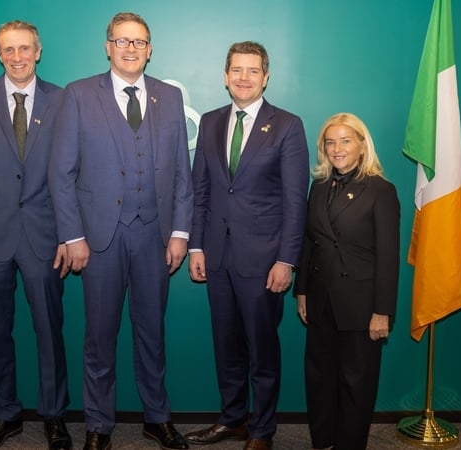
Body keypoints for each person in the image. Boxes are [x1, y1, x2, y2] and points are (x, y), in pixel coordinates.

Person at [48, 11, 192, 450]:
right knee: (99, 336)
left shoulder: (168, 97)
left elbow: (182, 175)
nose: (131, 49)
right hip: (98, 240)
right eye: (122, 41)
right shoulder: (78, 95)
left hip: (155, 235)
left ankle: (157, 417)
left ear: (150, 49)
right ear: (108, 46)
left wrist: (181, 233)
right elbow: (61, 171)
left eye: (139, 41)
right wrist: (73, 237)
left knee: (152, 333)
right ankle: (98, 425)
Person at [185, 41, 309, 450]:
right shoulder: (210, 122)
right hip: (217, 258)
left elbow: (295, 201)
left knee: (262, 352)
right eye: (236, 70)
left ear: (266, 76)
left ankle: (262, 429)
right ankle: (233, 419)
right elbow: (199, 192)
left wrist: (286, 260)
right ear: (225, 76)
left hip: (263, 261)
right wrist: (197, 248)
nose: (243, 78)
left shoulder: (288, 125)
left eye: (252, 71)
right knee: (226, 348)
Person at [0, 20, 71, 450]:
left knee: (49, 331)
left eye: (25, 48)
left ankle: (54, 416)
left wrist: (69, 233)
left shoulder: (64, 100)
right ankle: (5, 414)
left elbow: (71, 173)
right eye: (8, 50)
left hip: (46, 237)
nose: (17, 57)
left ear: (38, 51)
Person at [294, 113, 400, 450]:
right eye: (330, 141)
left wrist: (382, 311)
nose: (337, 148)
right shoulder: (320, 185)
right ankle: (323, 441)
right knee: (319, 378)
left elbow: (388, 256)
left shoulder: (380, 190)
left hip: (361, 304)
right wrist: (302, 292)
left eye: (345, 140)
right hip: (321, 299)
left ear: (362, 145)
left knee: (356, 383)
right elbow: (310, 243)